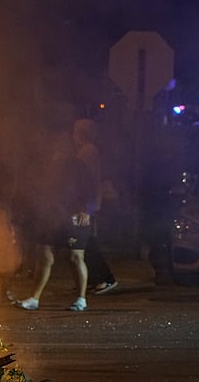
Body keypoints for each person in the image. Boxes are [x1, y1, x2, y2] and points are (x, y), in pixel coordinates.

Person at [13, 131, 96, 312]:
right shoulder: (45, 167)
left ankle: (81, 299)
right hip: (50, 217)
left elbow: (91, 190)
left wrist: (86, 210)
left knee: (75, 257)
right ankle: (34, 298)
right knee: (44, 256)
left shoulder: (78, 167)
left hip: (74, 218)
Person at [71, 118, 119, 295]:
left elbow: (88, 181)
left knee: (87, 243)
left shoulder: (87, 151)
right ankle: (93, 278)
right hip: (89, 204)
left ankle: (106, 278)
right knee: (85, 243)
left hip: (87, 205)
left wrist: (87, 207)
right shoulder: (89, 150)